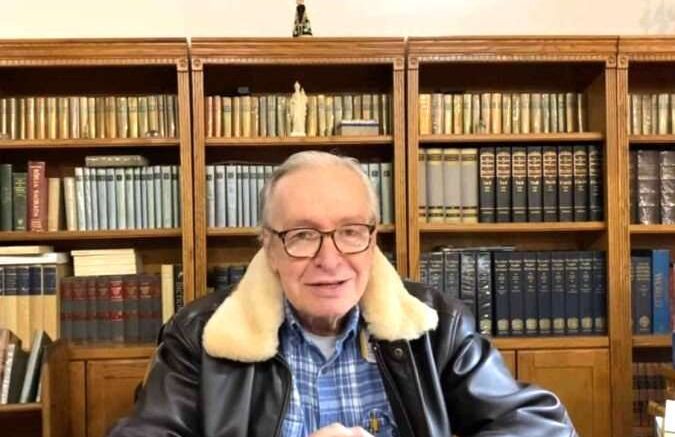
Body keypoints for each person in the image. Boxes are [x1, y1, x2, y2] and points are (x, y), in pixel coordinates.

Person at [108, 151, 578, 437]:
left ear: (373, 240)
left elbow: (541, 427)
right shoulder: (201, 335)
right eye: (302, 235)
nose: (330, 260)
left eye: (350, 232)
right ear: (269, 247)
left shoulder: (433, 324)